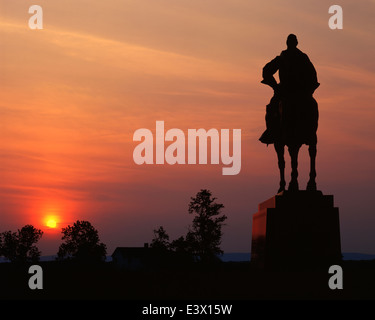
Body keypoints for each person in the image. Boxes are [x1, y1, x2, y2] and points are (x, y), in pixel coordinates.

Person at [259, 34, 319, 145]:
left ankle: (271, 132)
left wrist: (275, 86)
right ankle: (272, 131)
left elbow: (266, 71)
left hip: (288, 92)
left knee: (272, 107)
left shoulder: (294, 58)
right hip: (296, 92)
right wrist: (275, 86)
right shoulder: (295, 58)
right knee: (272, 107)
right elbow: (266, 71)